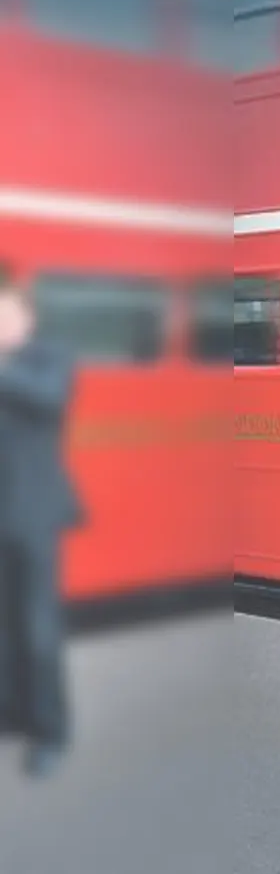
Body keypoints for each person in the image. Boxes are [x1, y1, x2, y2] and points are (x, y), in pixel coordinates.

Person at [0, 271, 81, 779]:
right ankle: (12, 715)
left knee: (37, 629)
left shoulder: (48, 360)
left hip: (32, 514)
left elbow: (48, 399)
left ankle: (49, 732)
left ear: (26, 318)